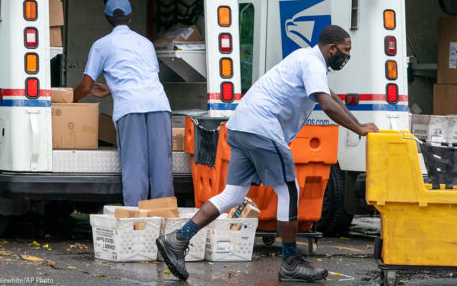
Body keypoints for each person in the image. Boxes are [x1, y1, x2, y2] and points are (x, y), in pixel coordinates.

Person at [156, 25, 379, 282]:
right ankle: (290, 262)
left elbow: (331, 96)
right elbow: (326, 104)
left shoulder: (305, 59)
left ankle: (177, 238)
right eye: (345, 50)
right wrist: (359, 128)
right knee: (289, 189)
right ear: (331, 48)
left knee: (233, 194)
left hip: (241, 126)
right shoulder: (312, 63)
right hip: (261, 127)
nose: (347, 56)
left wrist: (360, 123)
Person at [73, 0, 174, 206]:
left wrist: (66, 102)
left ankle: (136, 223)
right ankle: (163, 219)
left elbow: (85, 85)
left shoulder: (102, 45)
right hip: (159, 105)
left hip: (130, 108)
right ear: (130, 18)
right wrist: (113, 88)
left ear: (107, 20)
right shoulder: (145, 43)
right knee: (161, 167)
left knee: (135, 167)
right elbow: (144, 77)